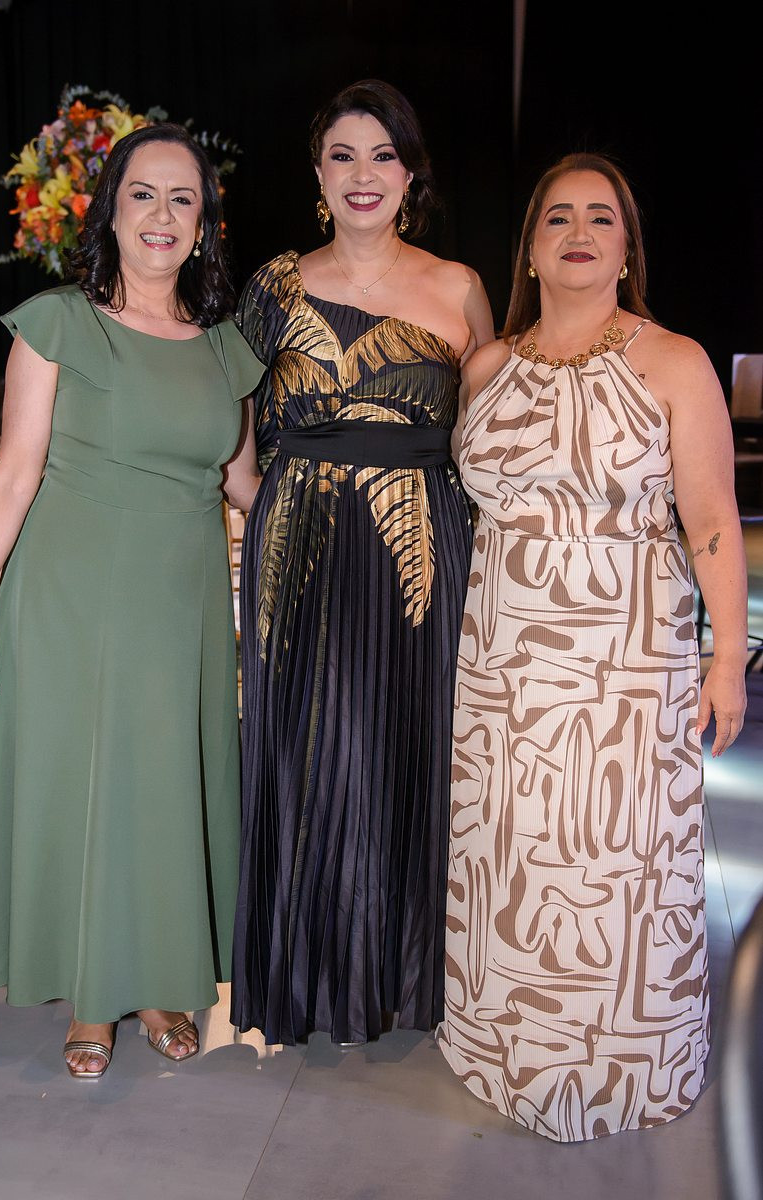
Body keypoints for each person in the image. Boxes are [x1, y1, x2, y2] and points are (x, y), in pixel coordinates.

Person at [438, 152, 747, 1140]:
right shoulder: (484, 368)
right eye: (557, 217)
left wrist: (726, 656)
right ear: (529, 249)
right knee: (512, 858)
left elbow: (710, 518)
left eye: (600, 218)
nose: (578, 232)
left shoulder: (672, 360)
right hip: (501, 664)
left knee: (615, 864)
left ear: (625, 250)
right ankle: (504, 1048)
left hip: (625, 665)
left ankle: (622, 1068)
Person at [0, 123, 264, 1078]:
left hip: (181, 609)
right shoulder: (59, 323)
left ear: (203, 225)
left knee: (165, 792)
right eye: (142, 194)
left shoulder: (227, 351)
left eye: (182, 199)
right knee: (91, 790)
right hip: (70, 599)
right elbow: (13, 473)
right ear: (111, 213)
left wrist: (359, 507)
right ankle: (93, 999)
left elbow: (245, 485)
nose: (162, 215)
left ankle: (161, 979)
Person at [231, 79, 494, 1045]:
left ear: (411, 173)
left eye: (382, 154)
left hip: (420, 547)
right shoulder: (273, 286)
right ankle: (308, 983)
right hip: (296, 546)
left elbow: (492, 438)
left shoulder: (457, 287)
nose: (362, 174)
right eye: (341, 155)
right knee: (306, 752)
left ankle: (402, 981)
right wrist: (274, 511)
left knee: (406, 747)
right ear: (316, 173)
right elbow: (233, 434)